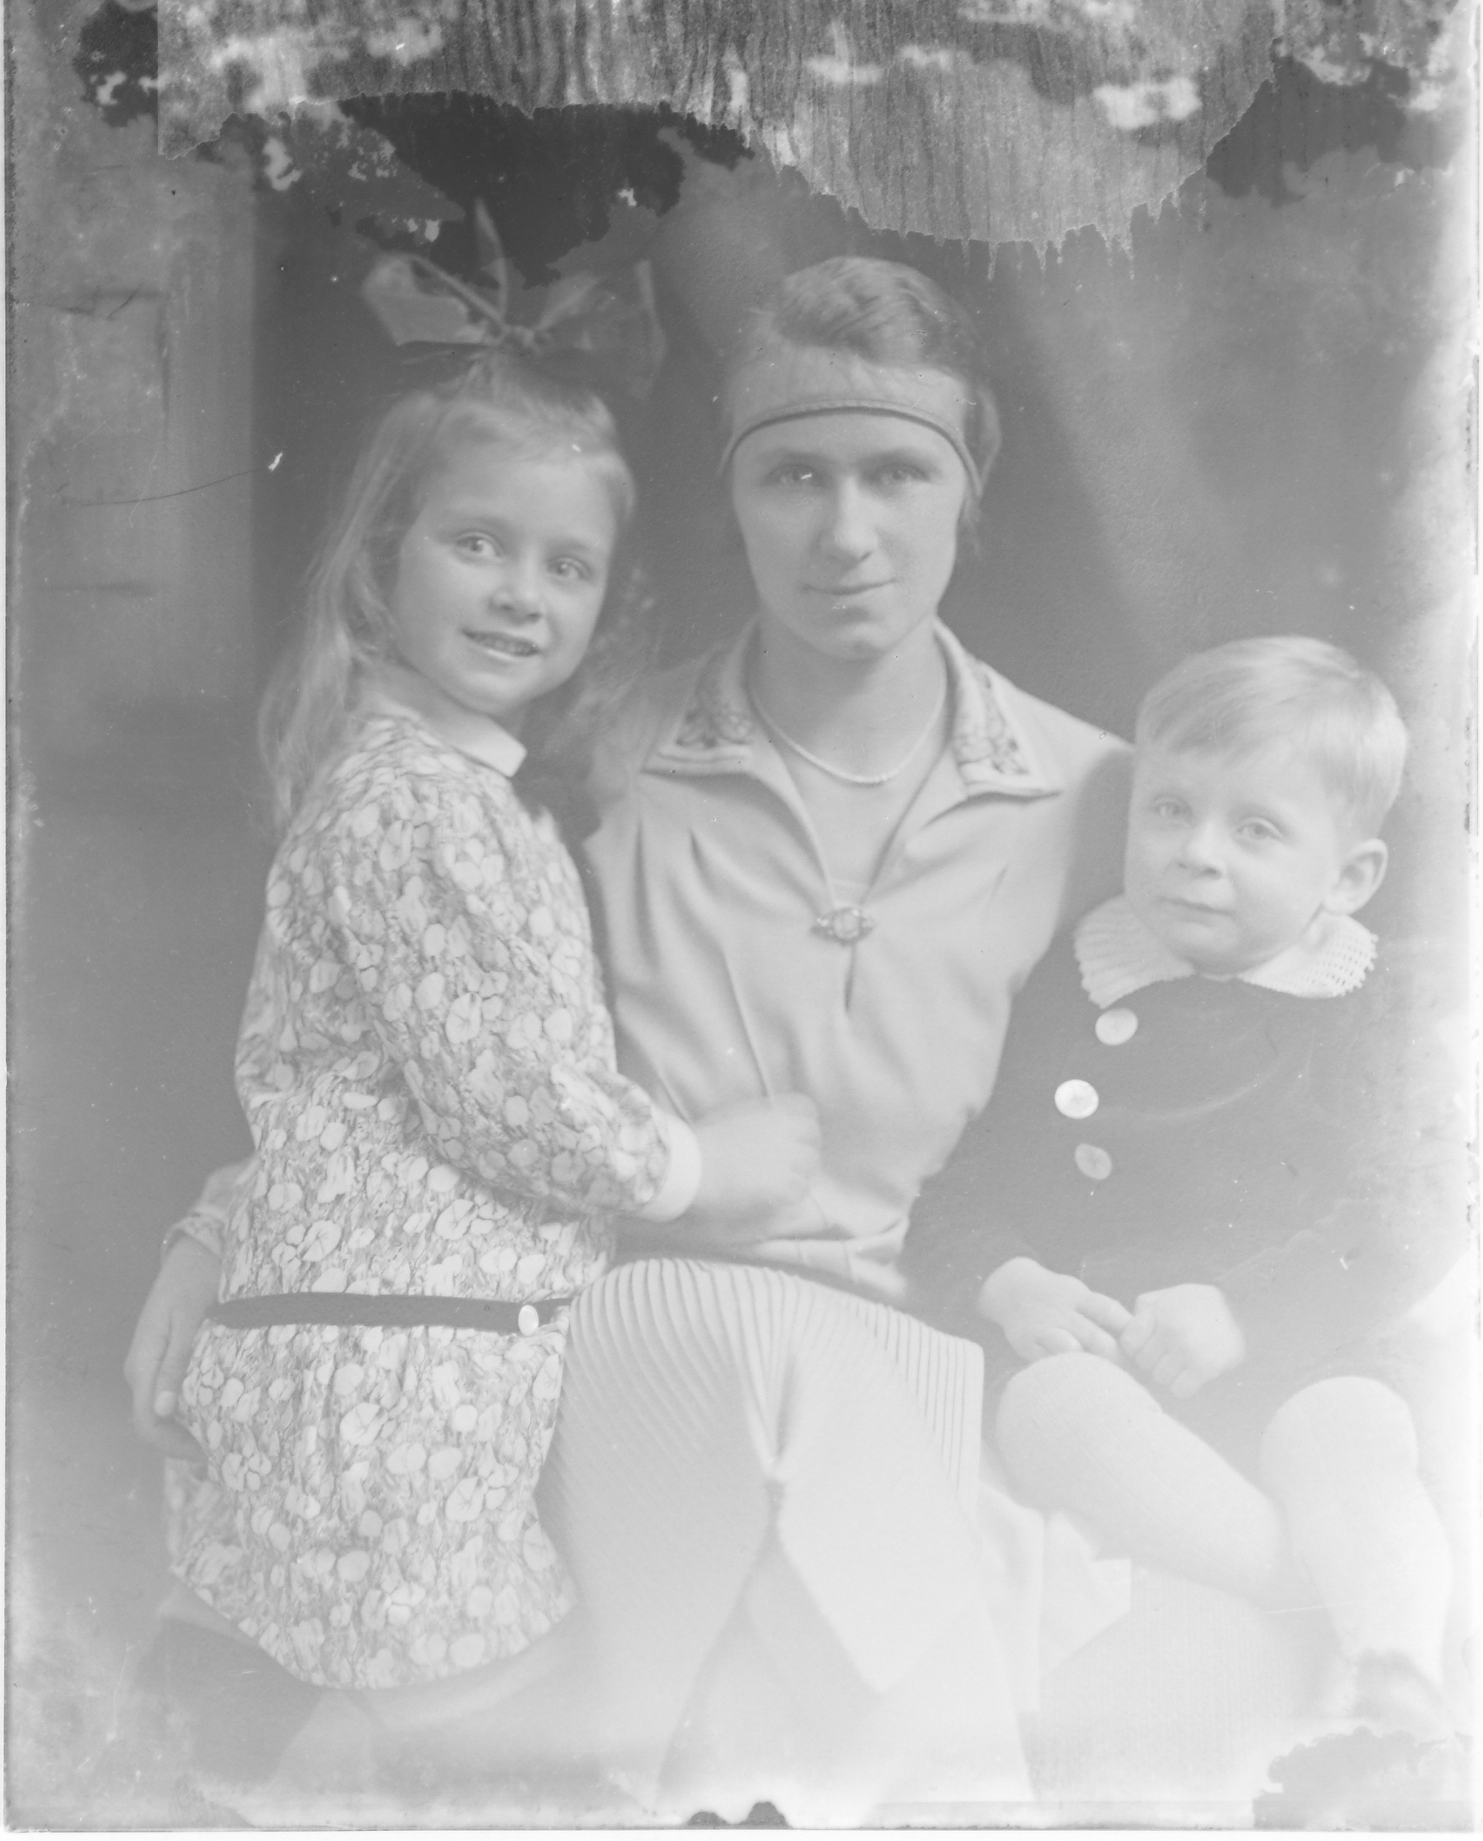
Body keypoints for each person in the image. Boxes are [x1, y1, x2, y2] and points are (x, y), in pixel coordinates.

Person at [127, 256, 1132, 1820]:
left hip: (917, 1368)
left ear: (969, 491)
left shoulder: (1103, 798)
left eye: (894, 472)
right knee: (740, 1340)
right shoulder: (592, 755)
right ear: (728, 497)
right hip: (620, 1360)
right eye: (791, 474)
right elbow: (427, 1031)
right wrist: (220, 1223)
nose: (844, 531)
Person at [142, 352, 821, 1762]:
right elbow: (509, 1096)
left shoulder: (452, 789)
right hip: (396, 1369)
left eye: (565, 565)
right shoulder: (417, 804)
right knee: (502, 1725)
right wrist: (700, 1164)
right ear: (380, 562)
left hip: (383, 1344)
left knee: (329, 1684)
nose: (521, 592)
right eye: (476, 543)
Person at [903, 636, 1468, 1748]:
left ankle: (1396, 1685)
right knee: (1047, 1408)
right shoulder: (1077, 973)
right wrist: (1008, 1279)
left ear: (1347, 878)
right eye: (1167, 809)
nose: (1195, 853)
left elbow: (1423, 1203)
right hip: (1119, 1359)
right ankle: (1305, 1599)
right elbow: (970, 1174)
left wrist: (1245, 1310)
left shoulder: (1367, 1003)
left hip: (1302, 1343)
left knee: (1353, 1434)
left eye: (1255, 829)